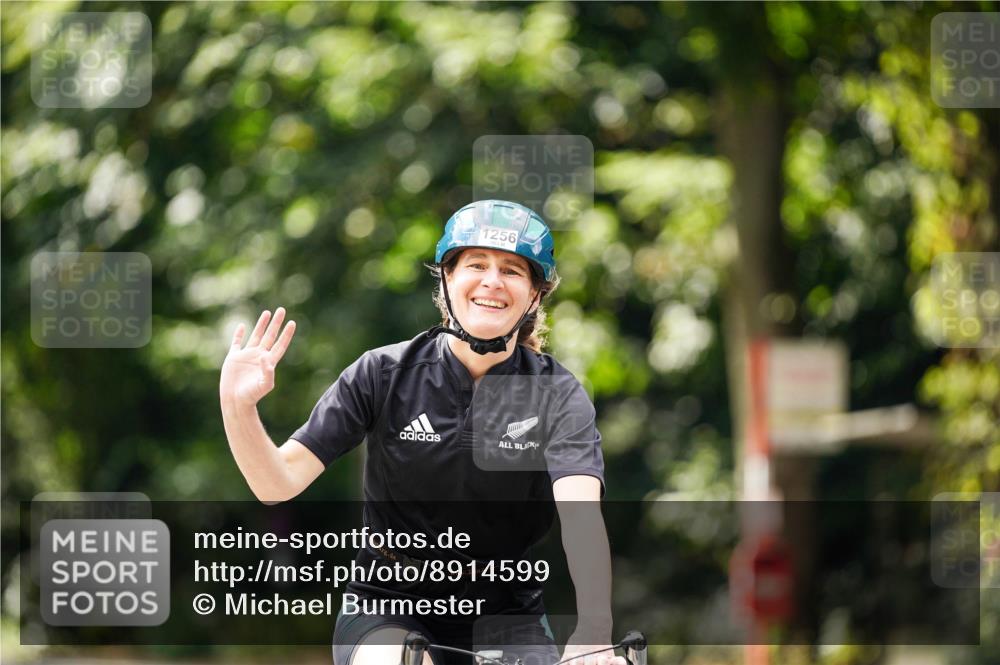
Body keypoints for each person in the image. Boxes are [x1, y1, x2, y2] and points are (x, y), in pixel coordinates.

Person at [220, 200, 626, 665]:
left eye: (512, 270)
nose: (492, 280)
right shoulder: (381, 372)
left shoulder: (557, 393)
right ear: (447, 279)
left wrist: (595, 627)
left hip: (507, 611)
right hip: (386, 603)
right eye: (476, 264)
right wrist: (238, 408)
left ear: (535, 294)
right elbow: (276, 483)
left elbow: (581, 518)